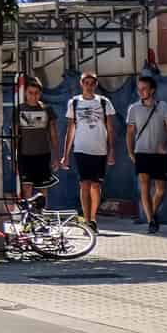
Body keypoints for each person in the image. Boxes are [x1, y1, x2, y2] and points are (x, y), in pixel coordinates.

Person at [61, 70, 117, 232]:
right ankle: (87, 220)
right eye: (86, 83)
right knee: (84, 184)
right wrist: (66, 155)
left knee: (96, 186)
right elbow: (70, 129)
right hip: (81, 148)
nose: (89, 86)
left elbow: (110, 128)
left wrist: (111, 150)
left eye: (92, 83)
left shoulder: (104, 102)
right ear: (81, 84)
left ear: (96, 85)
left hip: (100, 149)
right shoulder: (74, 103)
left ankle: (93, 217)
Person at [126, 75, 167, 234]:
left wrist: (164, 143)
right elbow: (130, 133)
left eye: (144, 88)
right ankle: (150, 221)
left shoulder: (163, 106)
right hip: (141, 152)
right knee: (144, 187)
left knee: (161, 190)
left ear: (152, 90)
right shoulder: (133, 108)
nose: (141, 91)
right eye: (139, 89)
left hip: (159, 153)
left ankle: (152, 215)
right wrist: (130, 152)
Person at [11, 79, 55, 203]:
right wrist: (13, 154)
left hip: (43, 154)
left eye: (36, 93)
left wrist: (56, 155)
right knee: (27, 186)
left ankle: (41, 214)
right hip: (25, 154)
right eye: (30, 93)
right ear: (25, 93)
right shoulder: (19, 109)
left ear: (40, 94)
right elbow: (14, 133)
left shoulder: (47, 109)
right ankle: (28, 214)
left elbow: (53, 133)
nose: (33, 96)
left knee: (43, 187)